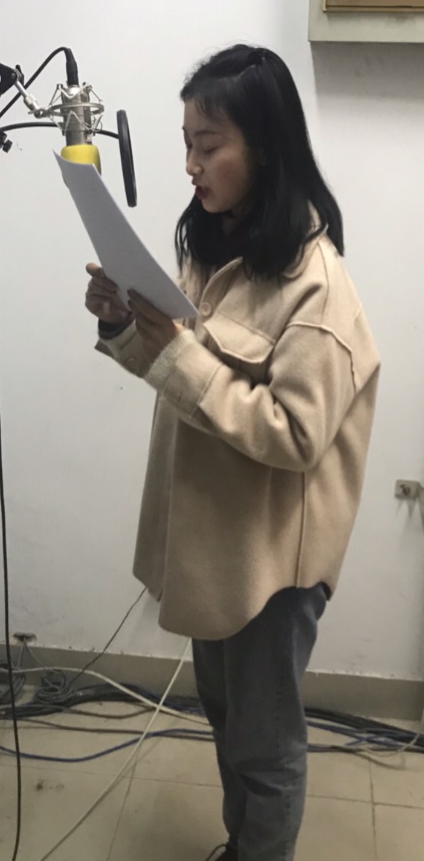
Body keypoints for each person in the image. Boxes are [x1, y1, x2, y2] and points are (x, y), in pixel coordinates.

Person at [84, 44, 379, 861]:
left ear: (265, 146)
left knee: (265, 742)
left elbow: (293, 434)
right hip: (213, 543)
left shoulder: (316, 286)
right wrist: (121, 323)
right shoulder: (212, 247)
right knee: (225, 718)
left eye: (208, 145)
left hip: (271, 562)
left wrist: (177, 353)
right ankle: (242, 844)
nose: (189, 164)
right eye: (185, 142)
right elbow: (181, 373)